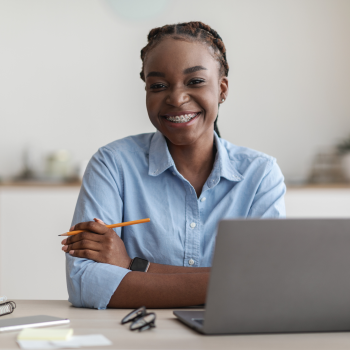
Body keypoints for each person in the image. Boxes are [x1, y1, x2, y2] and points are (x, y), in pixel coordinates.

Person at [62, 22, 286, 310]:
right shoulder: (113, 164)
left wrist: (134, 266)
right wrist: (233, 283)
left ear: (222, 89)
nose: (177, 99)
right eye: (158, 85)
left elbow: (268, 284)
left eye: (195, 82)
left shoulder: (260, 175)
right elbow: (86, 284)